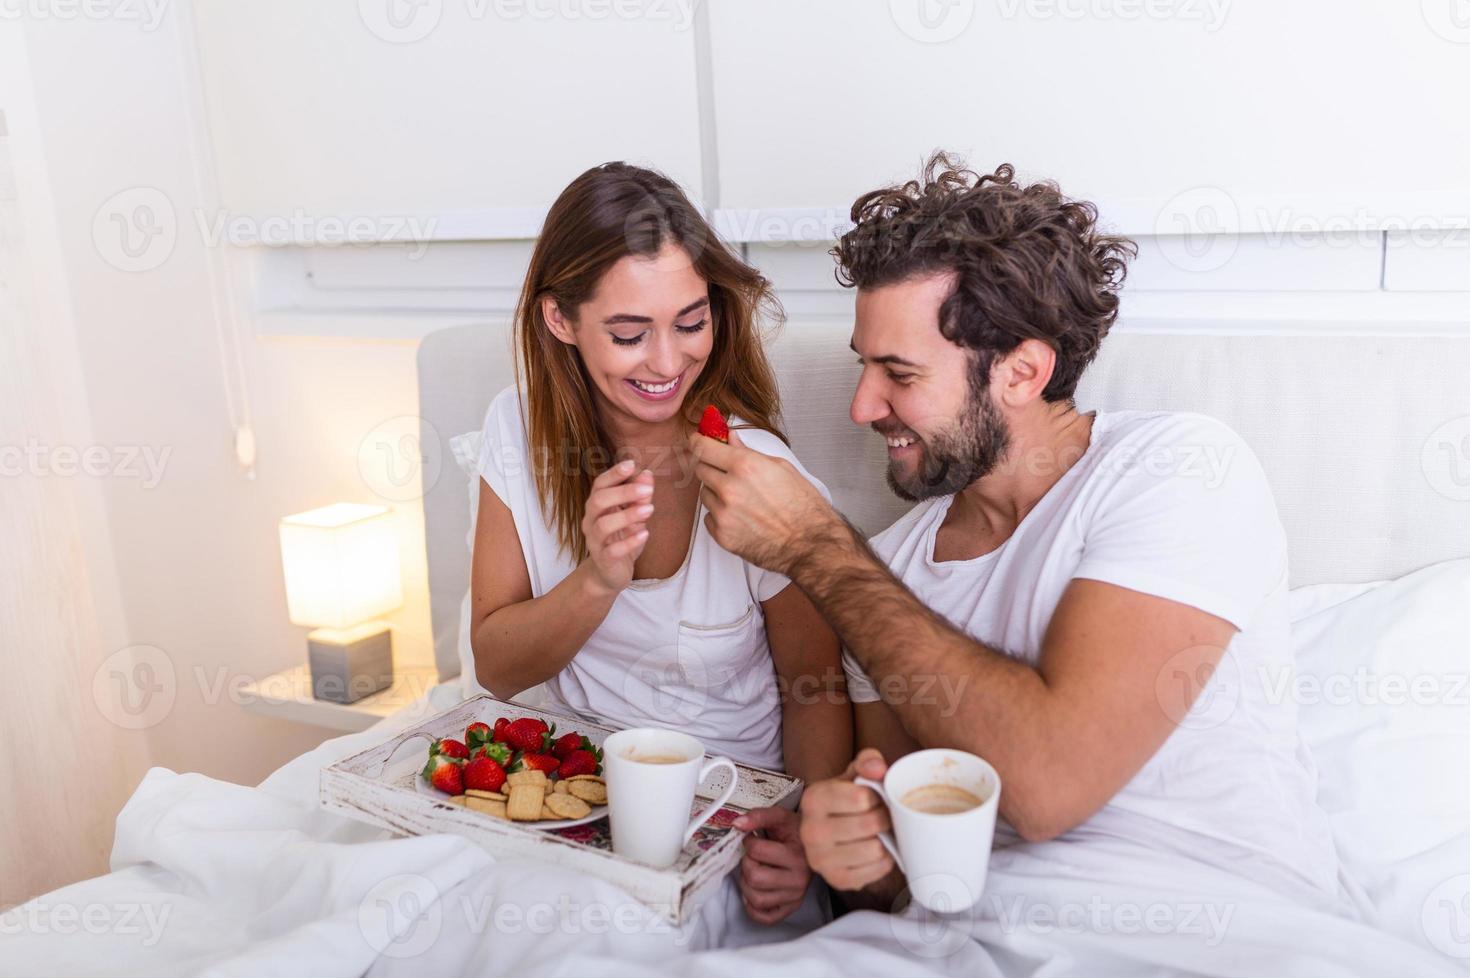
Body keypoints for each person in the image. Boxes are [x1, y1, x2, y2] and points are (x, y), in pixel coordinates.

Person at [690, 154, 1342, 914]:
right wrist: (854, 854)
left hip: (1214, 927)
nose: (862, 408)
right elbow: (894, 881)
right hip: (965, 944)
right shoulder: (888, 570)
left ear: (1023, 373)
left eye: (899, 374)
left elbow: (1048, 785)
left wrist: (814, 547)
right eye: (864, 367)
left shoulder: (1178, 470)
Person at [468, 162, 850, 925]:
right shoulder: (515, 430)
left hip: (722, 818)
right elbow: (497, 669)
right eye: (629, 333)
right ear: (560, 321)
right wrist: (594, 581)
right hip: (571, 807)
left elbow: (816, 682)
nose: (669, 362)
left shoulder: (756, 473)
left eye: (691, 321)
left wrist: (802, 829)